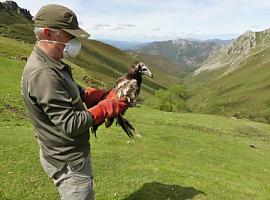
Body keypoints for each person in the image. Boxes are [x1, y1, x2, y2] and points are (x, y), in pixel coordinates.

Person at [21, 4, 129, 200]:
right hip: (69, 161)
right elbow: (70, 124)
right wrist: (106, 107)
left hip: (66, 155)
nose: (73, 41)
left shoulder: (52, 63)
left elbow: (67, 90)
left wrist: (89, 94)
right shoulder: (43, 73)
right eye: (68, 35)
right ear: (48, 33)